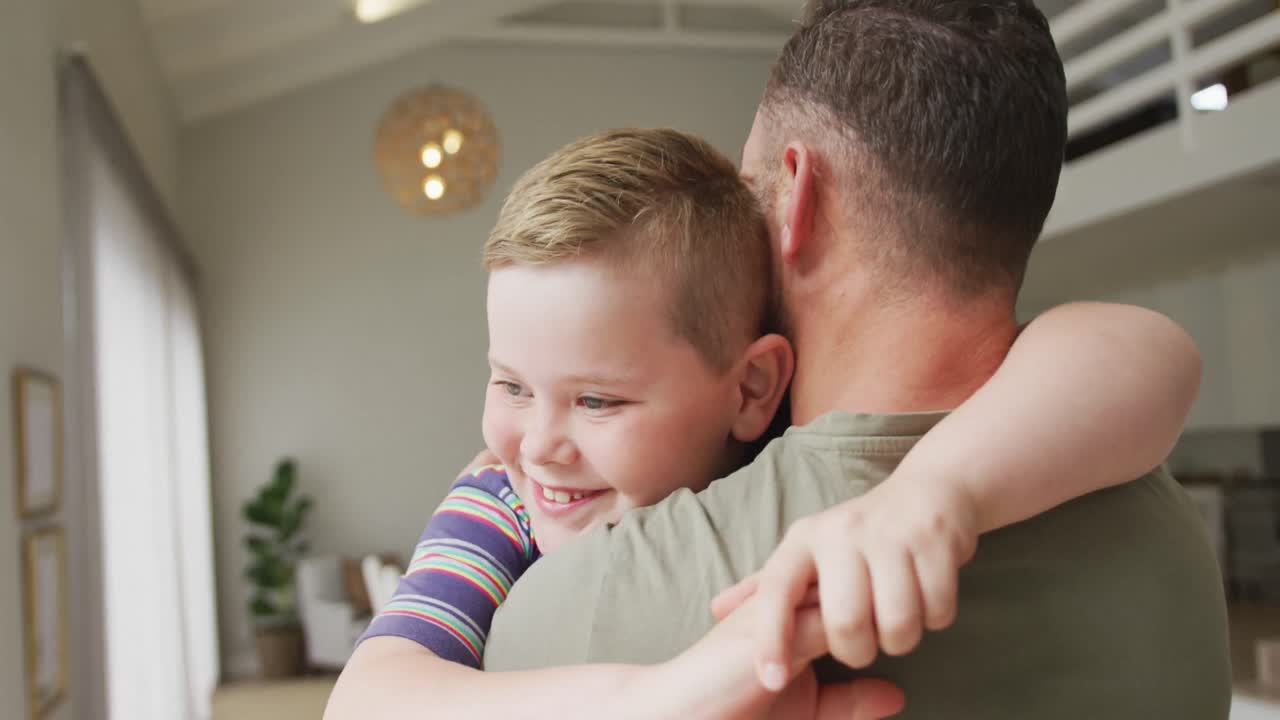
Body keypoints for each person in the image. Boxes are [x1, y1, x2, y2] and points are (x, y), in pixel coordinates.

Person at [473, 1, 1232, 718]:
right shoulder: (1155, 511)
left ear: (796, 193)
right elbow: (1150, 347)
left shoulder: (587, 606)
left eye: (751, 188)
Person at [325, 120, 1211, 718]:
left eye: (596, 400)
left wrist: (933, 491)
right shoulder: (497, 505)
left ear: (752, 390)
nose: (537, 443)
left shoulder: (786, 434)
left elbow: (1150, 350)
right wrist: (663, 696)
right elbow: (367, 698)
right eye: (510, 384)